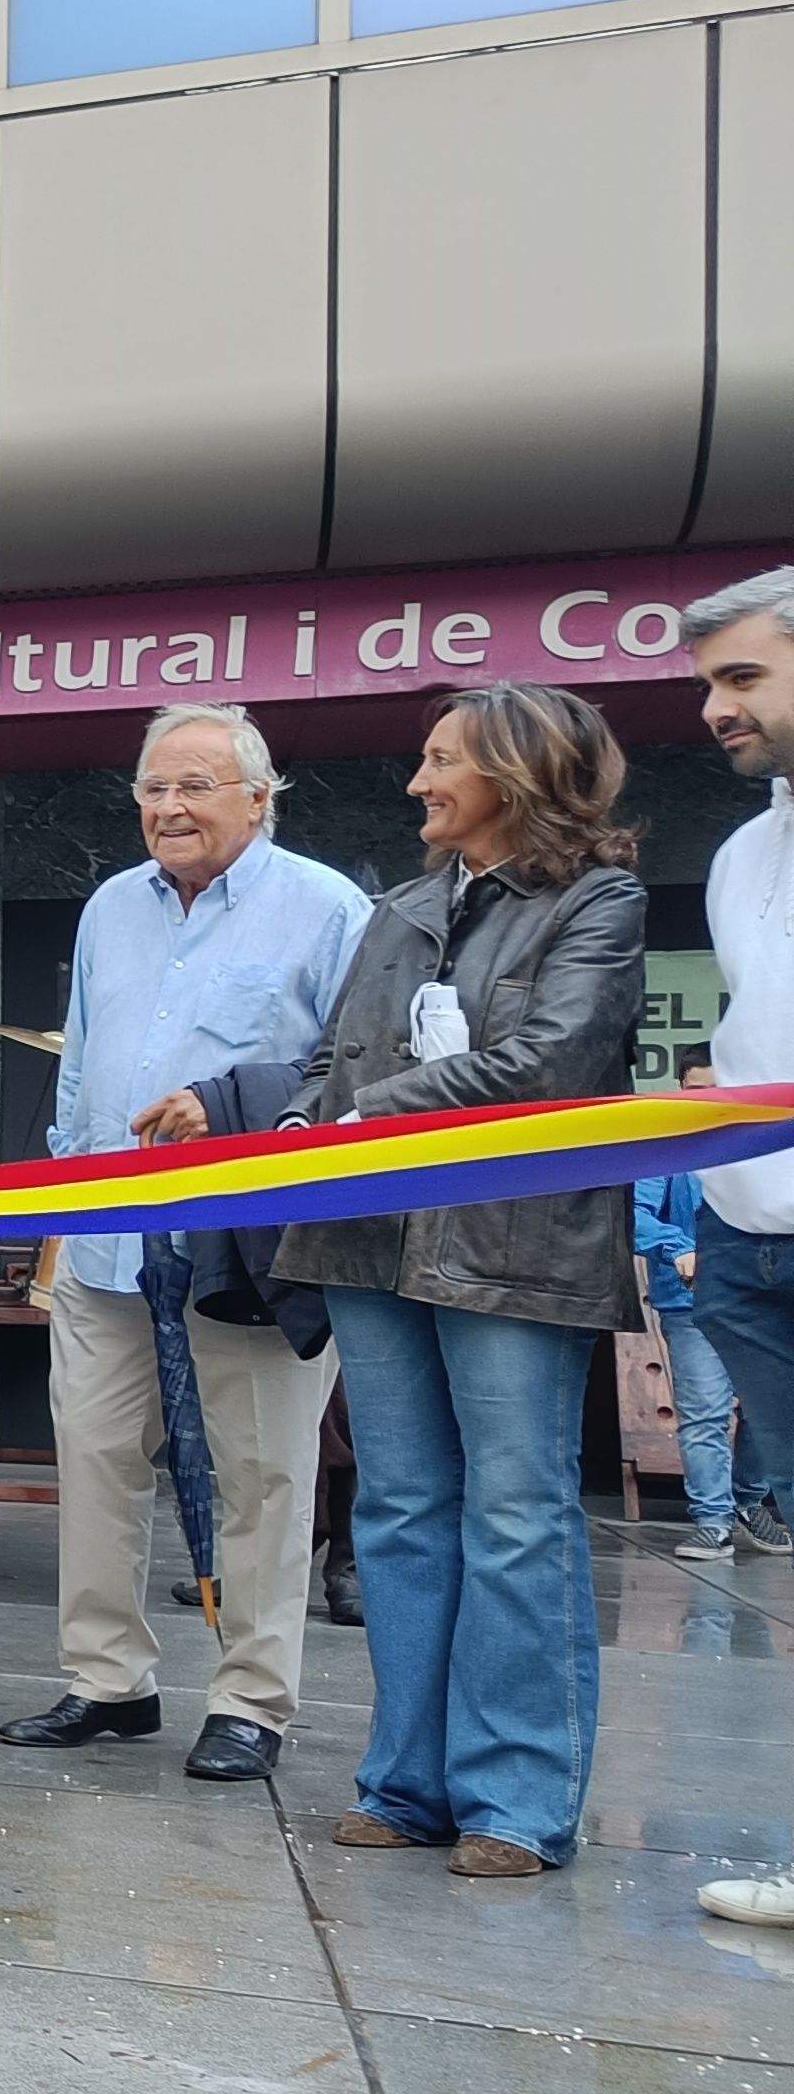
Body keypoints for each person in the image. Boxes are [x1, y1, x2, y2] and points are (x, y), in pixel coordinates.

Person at [281, 684, 644, 1879]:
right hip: (369, 1242)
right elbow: (333, 1054)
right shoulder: (396, 911)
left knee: (514, 1513)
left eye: (441, 762)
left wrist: (357, 1117)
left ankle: (516, 1803)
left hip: (514, 1247)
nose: (416, 783)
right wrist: (298, 1117)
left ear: (516, 771)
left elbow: (550, 1063)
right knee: (396, 1506)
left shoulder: (599, 901)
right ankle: (406, 1781)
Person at [0, 709, 371, 1777]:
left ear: (259, 797)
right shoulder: (113, 906)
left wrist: (234, 1109)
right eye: (153, 788)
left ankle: (252, 1701)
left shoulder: (326, 908)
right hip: (108, 1243)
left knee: (259, 1474)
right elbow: (77, 1072)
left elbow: (351, 1075)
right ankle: (106, 1681)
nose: (168, 807)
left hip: (244, 1248)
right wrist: (65, 1210)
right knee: (98, 1458)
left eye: (196, 785)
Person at [663, 568, 794, 1927]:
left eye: (744, 679)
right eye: (709, 683)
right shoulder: (749, 852)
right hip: (750, 1238)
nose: (715, 709)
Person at [636, 1170, 785, 1558]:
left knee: (770, 1408)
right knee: (704, 1411)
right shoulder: (675, 1147)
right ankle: (713, 1520)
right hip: (690, 1299)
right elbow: (631, 1213)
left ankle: (748, 1501)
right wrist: (677, 1248)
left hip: (764, 1295)